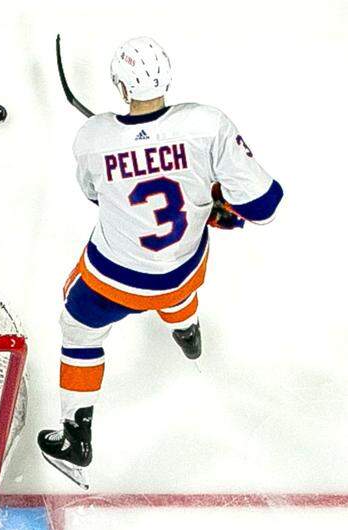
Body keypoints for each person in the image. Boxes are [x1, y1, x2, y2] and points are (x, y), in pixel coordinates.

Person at [39, 36, 284, 487]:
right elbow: (263, 206)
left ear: (119, 86)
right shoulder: (208, 125)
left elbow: (94, 193)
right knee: (175, 289)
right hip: (182, 267)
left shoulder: (94, 138)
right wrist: (215, 200)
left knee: (78, 330)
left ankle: (76, 435)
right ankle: (186, 331)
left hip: (112, 279)